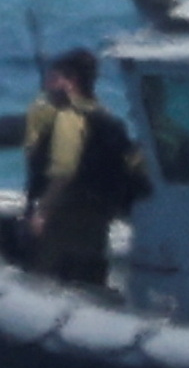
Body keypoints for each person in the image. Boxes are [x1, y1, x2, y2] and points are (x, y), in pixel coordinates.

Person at [10, 55, 146, 298]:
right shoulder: (107, 117)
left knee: (47, 275)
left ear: (70, 81)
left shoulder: (70, 118)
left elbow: (63, 170)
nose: (47, 85)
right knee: (90, 272)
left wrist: (42, 213)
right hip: (100, 212)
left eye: (53, 78)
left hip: (67, 213)